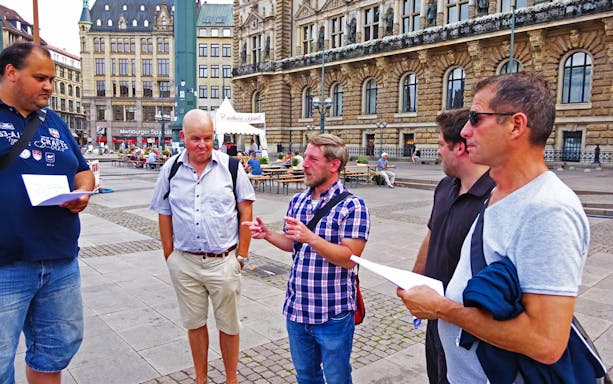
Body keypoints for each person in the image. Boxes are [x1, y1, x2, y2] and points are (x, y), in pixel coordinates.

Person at [397, 72, 590, 382]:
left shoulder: (548, 209)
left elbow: (546, 343)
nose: (464, 131)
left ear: (516, 125)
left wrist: (443, 309)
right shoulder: (499, 193)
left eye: (476, 118)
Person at [0, 42, 95, 384]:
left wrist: (83, 190)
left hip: (59, 261)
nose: (49, 87)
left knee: (54, 352)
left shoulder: (53, 120)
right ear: (11, 73)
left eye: (52, 79)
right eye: (40, 78)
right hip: (6, 264)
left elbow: (82, 169)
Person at [244, 134, 370, 384]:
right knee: (306, 376)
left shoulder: (353, 207)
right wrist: (268, 235)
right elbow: (293, 244)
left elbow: (349, 258)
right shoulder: (298, 201)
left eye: (312, 158)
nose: (304, 163)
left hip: (332, 312)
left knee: (337, 378)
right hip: (298, 309)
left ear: (334, 165)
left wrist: (311, 237)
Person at [149, 109, 255, 384]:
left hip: (224, 261)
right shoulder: (170, 168)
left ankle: (231, 379)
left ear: (214, 137)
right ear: (184, 137)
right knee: (194, 325)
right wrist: (170, 256)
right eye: (195, 138)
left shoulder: (231, 167)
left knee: (229, 326)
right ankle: (201, 379)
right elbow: (164, 213)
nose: (202, 145)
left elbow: (246, 213)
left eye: (208, 138)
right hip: (185, 263)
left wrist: (241, 257)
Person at [411, 109, 495, 384]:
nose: (437, 152)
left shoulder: (495, 197)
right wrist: (414, 279)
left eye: (440, 144)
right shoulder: (445, 186)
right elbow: (431, 234)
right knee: (436, 376)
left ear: (459, 147)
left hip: (470, 325)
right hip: (436, 316)